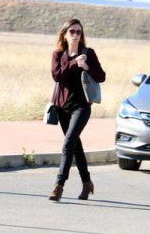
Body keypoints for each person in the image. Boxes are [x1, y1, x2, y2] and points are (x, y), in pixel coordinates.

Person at [48, 19, 106, 202]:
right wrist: (74, 64)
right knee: (75, 146)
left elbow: (102, 76)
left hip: (81, 106)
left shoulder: (88, 53)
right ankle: (87, 183)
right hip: (63, 107)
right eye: (71, 31)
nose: (75, 35)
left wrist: (87, 66)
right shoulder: (58, 54)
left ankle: (59, 186)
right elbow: (57, 76)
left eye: (79, 32)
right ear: (64, 34)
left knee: (67, 145)